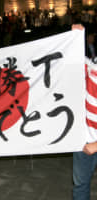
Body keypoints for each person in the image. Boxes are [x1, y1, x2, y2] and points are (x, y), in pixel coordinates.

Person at [72, 24, 97, 200]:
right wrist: (74, 40)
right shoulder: (93, 65)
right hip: (84, 137)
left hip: (92, 143)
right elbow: (80, 63)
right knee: (80, 185)